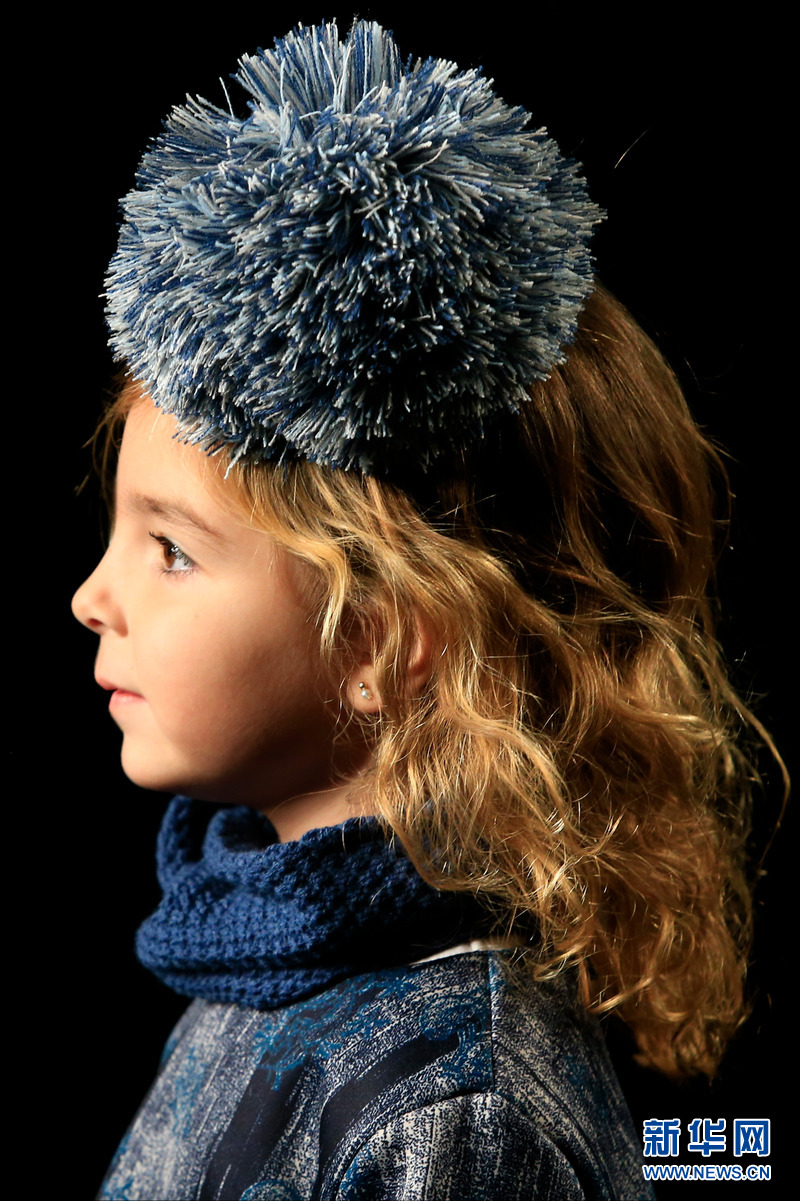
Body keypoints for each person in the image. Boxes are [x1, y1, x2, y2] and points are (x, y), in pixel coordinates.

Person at [71, 19, 770, 1200]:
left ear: (388, 637)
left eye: (171, 551)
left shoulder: (453, 1107)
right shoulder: (254, 956)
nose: (93, 597)